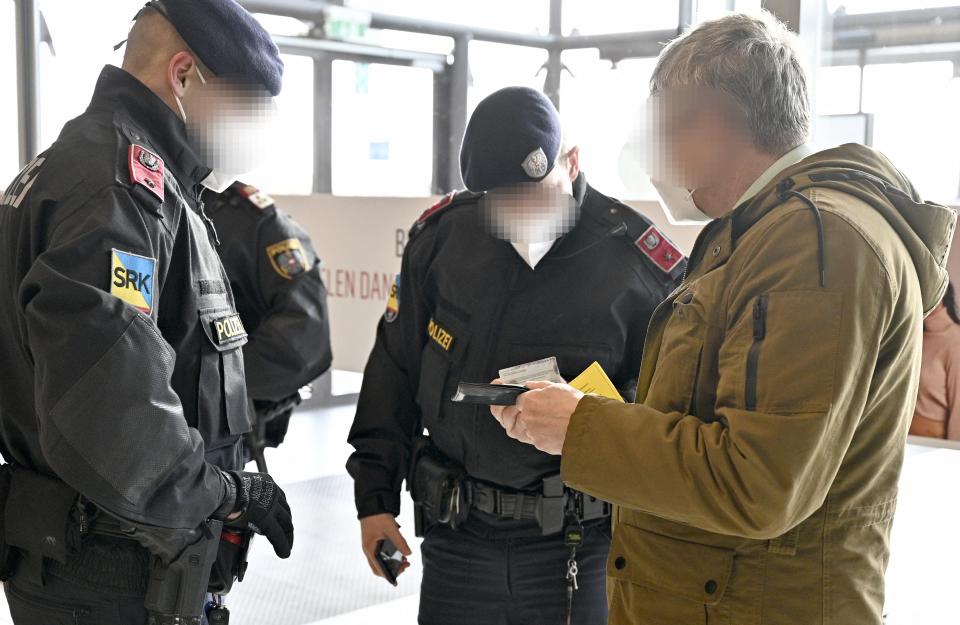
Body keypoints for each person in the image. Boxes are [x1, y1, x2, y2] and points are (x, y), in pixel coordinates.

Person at [493, 12, 956, 625]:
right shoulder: (768, 231)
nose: (653, 155)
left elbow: (756, 482)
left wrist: (579, 428)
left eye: (662, 131)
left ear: (711, 124)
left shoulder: (813, 243)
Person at [0, 2, 295, 623]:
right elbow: (110, 407)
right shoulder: (117, 189)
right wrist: (228, 495)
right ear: (184, 76)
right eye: (246, 108)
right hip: (109, 575)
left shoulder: (122, 177)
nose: (252, 132)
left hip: (119, 562)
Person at [346, 86, 685, 625]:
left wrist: (582, 415)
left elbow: (671, 418)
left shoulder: (640, 270)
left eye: (534, 195)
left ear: (572, 163)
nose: (518, 214)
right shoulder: (444, 240)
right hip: (457, 539)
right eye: (501, 202)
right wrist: (374, 498)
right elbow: (395, 368)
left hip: (576, 546)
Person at [206, 181, 333, 470]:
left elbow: (304, 336)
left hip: (218, 431)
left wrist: (216, 381)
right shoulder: (145, 201)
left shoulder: (257, 223)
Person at [911, 282, 960, 440]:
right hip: (904, 439)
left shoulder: (955, 341)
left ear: (942, 295)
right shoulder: (915, 336)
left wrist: (953, 455)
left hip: (934, 445)